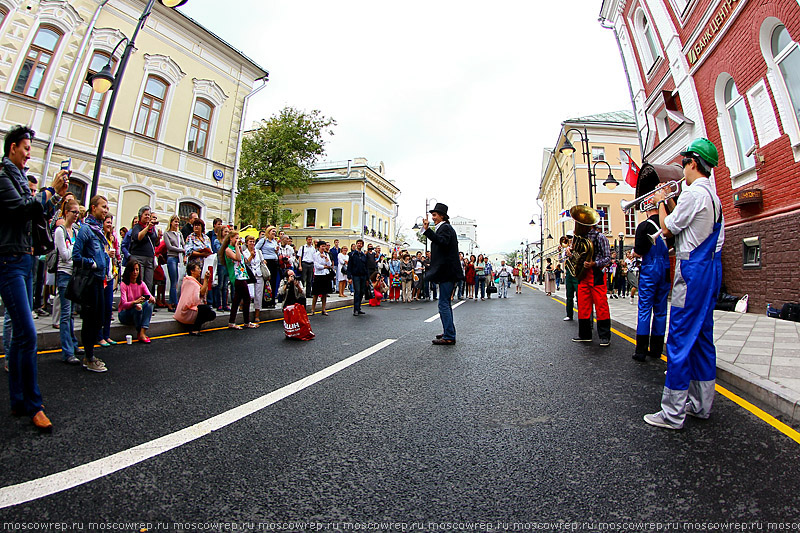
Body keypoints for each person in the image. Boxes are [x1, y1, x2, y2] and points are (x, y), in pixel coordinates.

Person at [644, 138, 724, 430]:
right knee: (702, 339)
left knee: (678, 339)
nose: (682, 169)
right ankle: (701, 405)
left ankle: (672, 412)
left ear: (692, 162)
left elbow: (667, 227)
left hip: (691, 273)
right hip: (710, 270)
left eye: (683, 163)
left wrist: (663, 199)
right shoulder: (714, 198)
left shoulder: (692, 194)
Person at [0, 125, 69, 431]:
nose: (30, 154)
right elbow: (19, 210)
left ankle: (18, 400)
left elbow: (33, 214)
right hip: (10, 261)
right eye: (26, 148)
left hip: (24, 260)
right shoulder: (3, 177)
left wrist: (52, 199)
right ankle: (33, 404)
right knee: (27, 333)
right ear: (12, 147)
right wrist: (48, 191)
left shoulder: (15, 177)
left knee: (19, 334)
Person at [72, 195, 111, 373]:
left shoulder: (98, 230)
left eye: (107, 207)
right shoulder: (86, 229)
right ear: (93, 208)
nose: (106, 210)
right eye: (103, 207)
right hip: (90, 280)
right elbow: (76, 256)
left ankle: (90, 354)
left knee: (98, 319)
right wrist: (93, 263)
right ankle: (89, 357)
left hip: (99, 280)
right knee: (90, 320)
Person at [631, 202, 671, 362]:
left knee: (645, 308)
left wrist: (634, 253)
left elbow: (640, 251)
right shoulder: (667, 223)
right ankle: (656, 349)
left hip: (650, 267)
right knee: (661, 310)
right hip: (666, 267)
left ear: (647, 209)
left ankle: (641, 350)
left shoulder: (644, 226)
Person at [570, 205, 612, 347]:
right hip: (583, 276)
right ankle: (585, 335)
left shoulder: (601, 238)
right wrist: (571, 254)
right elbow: (575, 257)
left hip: (596, 275)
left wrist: (594, 263)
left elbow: (608, 259)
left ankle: (604, 336)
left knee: (601, 306)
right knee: (583, 306)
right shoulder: (578, 239)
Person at [423, 203, 463, 345]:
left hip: (447, 272)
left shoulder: (445, 228)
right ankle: (448, 331)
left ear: (442, 216)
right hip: (446, 272)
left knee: (443, 304)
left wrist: (427, 230)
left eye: (435, 215)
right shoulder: (444, 228)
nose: (433, 218)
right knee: (445, 303)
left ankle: (449, 335)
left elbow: (442, 242)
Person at [53, 198, 83, 364]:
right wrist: (74, 249)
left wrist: (73, 250)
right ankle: (67, 351)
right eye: (74, 212)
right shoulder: (60, 231)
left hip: (74, 274)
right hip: (64, 274)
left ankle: (72, 344)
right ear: (66, 212)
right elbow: (64, 255)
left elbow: (75, 252)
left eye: (78, 213)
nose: (76, 216)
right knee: (65, 314)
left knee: (71, 312)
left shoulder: (76, 231)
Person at [219, 230, 258, 329]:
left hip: (242, 275)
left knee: (237, 300)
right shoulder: (228, 250)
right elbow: (237, 259)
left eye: (238, 238)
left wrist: (250, 256)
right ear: (230, 238)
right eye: (236, 238)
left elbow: (244, 262)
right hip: (236, 276)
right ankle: (246, 321)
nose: (237, 240)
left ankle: (232, 321)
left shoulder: (237, 249)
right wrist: (237, 247)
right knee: (247, 298)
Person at [174, 261, 216, 336]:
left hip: (190, 308)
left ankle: (193, 325)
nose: (200, 270)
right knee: (204, 309)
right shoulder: (190, 282)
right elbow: (200, 294)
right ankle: (194, 329)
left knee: (211, 314)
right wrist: (206, 279)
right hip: (186, 309)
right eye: (198, 268)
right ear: (192, 271)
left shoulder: (193, 281)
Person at [118, 260, 155, 343]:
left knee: (149, 304)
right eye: (133, 270)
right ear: (129, 271)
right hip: (125, 314)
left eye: (137, 270)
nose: (135, 272)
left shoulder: (141, 283)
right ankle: (139, 331)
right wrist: (135, 302)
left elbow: (150, 296)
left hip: (138, 310)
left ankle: (142, 332)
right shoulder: (124, 284)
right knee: (137, 307)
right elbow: (124, 304)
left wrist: (151, 299)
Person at [97, 214, 119, 347]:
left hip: (110, 276)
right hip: (101, 277)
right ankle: (99, 336)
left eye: (111, 222)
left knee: (108, 308)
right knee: (101, 307)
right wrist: (106, 254)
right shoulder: (99, 238)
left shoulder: (110, 239)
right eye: (107, 222)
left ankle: (107, 334)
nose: (109, 224)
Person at [128, 206, 159, 294]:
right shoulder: (137, 227)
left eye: (149, 215)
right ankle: (137, 302)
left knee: (149, 283)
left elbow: (155, 243)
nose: (148, 217)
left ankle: (147, 304)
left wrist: (158, 237)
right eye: (145, 215)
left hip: (149, 259)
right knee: (139, 282)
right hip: (138, 258)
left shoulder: (152, 229)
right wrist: (147, 227)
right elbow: (138, 237)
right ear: (140, 216)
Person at [243, 235, 267, 322]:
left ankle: (257, 315)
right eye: (250, 242)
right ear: (247, 243)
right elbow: (245, 263)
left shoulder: (259, 252)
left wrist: (264, 262)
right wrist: (251, 256)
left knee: (258, 295)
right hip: (250, 275)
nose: (252, 243)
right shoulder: (244, 252)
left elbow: (262, 261)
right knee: (249, 295)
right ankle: (246, 312)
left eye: (253, 242)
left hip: (259, 274)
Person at [164, 215, 185, 312]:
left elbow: (183, 244)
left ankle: (172, 302)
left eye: (178, 222)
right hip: (171, 257)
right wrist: (181, 250)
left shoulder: (179, 234)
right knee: (173, 281)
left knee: (177, 281)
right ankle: (175, 303)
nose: (176, 224)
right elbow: (169, 247)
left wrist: (184, 252)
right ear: (171, 222)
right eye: (175, 222)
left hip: (179, 258)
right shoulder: (167, 234)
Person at [255, 225, 279, 308]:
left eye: (275, 232)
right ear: (268, 232)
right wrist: (262, 259)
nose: (274, 233)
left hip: (274, 262)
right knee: (266, 282)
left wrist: (277, 251)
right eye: (273, 231)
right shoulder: (263, 241)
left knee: (273, 282)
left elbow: (276, 252)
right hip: (267, 262)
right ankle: (265, 301)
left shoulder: (274, 242)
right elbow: (256, 249)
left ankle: (271, 301)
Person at [310, 240, 333, 316]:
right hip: (318, 275)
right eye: (322, 246)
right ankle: (313, 309)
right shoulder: (315, 255)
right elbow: (317, 266)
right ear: (319, 247)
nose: (323, 248)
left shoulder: (326, 254)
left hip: (325, 275)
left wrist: (326, 258)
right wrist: (325, 266)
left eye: (324, 246)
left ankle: (323, 309)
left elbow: (329, 264)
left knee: (324, 293)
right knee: (316, 293)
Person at [562, 232, 579, 321]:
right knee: (569, 295)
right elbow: (561, 260)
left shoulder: (578, 247)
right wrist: (563, 252)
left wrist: (572, 254)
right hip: (569, 273)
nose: (569, 239)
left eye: (570, 237)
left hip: (577, 273)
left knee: (579, 296)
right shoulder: (566, 248)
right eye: (568, 237)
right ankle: (569, 314)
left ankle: (582, 315)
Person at [348, 239, 368, 315]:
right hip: (355, 276)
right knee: (357, 291)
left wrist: (367, 278)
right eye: (358, 243)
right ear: (356, 245)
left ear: (362, 245)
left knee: (362, 292)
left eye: (361, 243)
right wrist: (349, 277)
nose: (359, 245)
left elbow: (366, 267)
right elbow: (349, 266)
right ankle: (356, 309)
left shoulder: (363, 255)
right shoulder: (352, 255)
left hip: (363, 276)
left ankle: (359, 307)